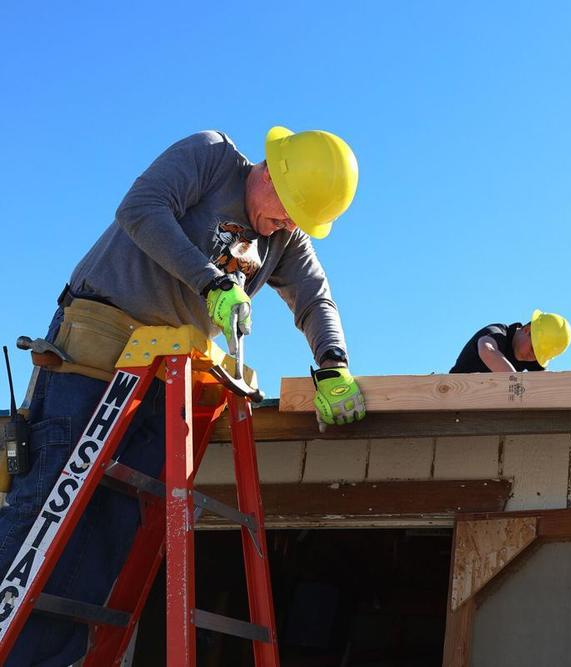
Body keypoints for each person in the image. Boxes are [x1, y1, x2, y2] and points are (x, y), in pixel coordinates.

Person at [0, 126, 365, 664]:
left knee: (113, 530)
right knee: (49, 507)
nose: (290, 224)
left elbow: (316, 299)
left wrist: (333, 366)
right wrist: (211, 282)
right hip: (98, 349)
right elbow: (140, 210)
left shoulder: (285, 239)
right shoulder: (212, 157)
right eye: (291, 210)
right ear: (271, 173)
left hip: (165, 374)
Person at [450, 310, 571, 373]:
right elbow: (486, 349)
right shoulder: (498, 333)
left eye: (539, 356)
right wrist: (516, 382)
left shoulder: (531, 357)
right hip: (456, 395)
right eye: (533, 349)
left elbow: (544, 383)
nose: (533, 357)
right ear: (527, 329)